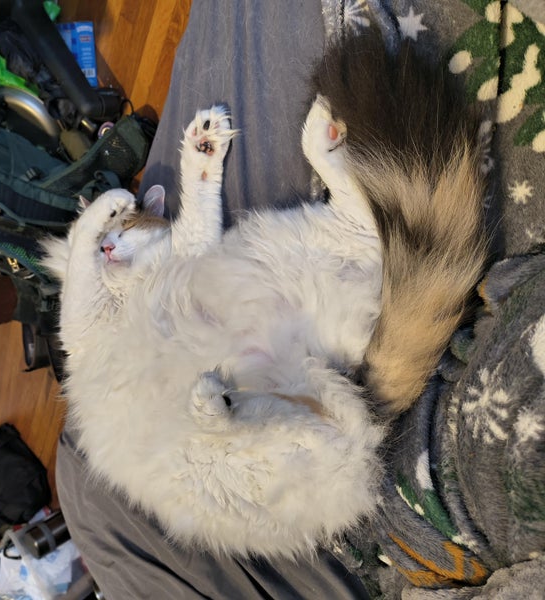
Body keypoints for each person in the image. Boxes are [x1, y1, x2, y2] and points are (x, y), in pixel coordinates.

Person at [56, 1, 545, 598]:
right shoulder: (108, 310)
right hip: (298, 431)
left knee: (252, 255)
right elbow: (88, 327)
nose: (109, 246)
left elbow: (184, 255)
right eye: (109, 240)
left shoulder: (153, 289)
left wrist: (176, 196)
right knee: (215, 447)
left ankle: (358, 217)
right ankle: (283, 414)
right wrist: (90, 238)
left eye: (115, 233)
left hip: (282, 357)